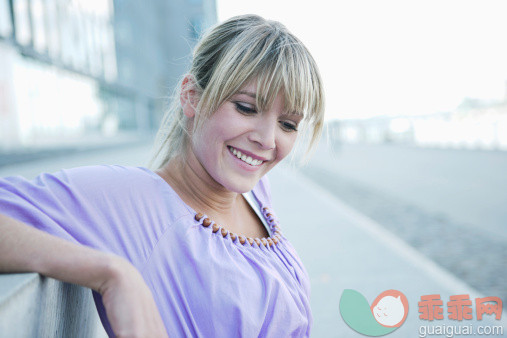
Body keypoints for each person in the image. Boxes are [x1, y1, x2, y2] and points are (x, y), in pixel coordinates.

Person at [0, 14, 324, 337]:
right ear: (191, 96)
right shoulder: (130, 198)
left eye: (288, 124)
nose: (267, 140)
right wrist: (112, 272)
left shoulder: (254, 191)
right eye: (246, 108)